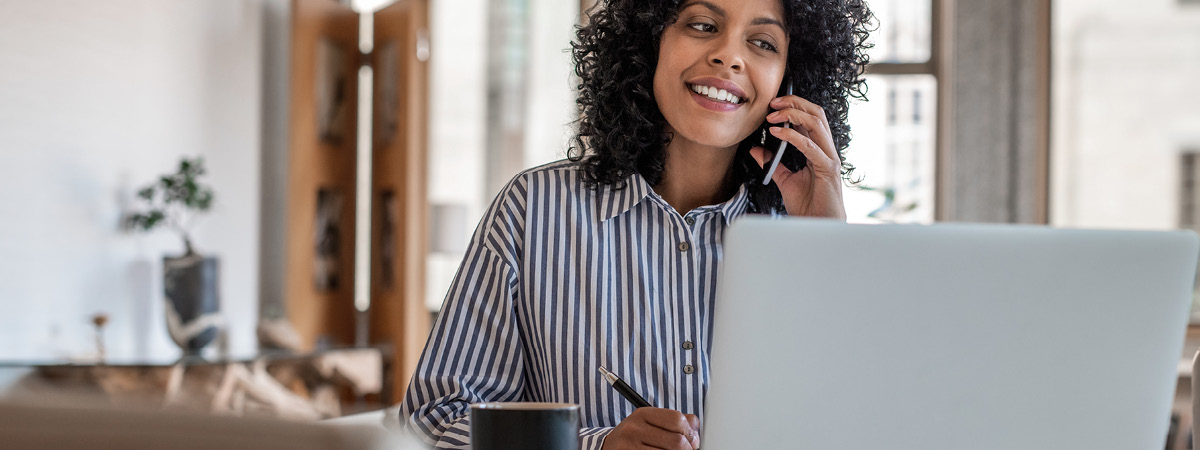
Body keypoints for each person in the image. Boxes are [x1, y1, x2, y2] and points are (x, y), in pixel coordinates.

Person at [400, 0, 873, 448]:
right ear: (649, 42)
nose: (728, 56)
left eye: (764, 42)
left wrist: (826, 247)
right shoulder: (533, 210)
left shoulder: (799, 232)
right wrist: (594, 445)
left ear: (788, 84)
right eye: (703, 25)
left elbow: (861, 422)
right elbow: (430, 422)